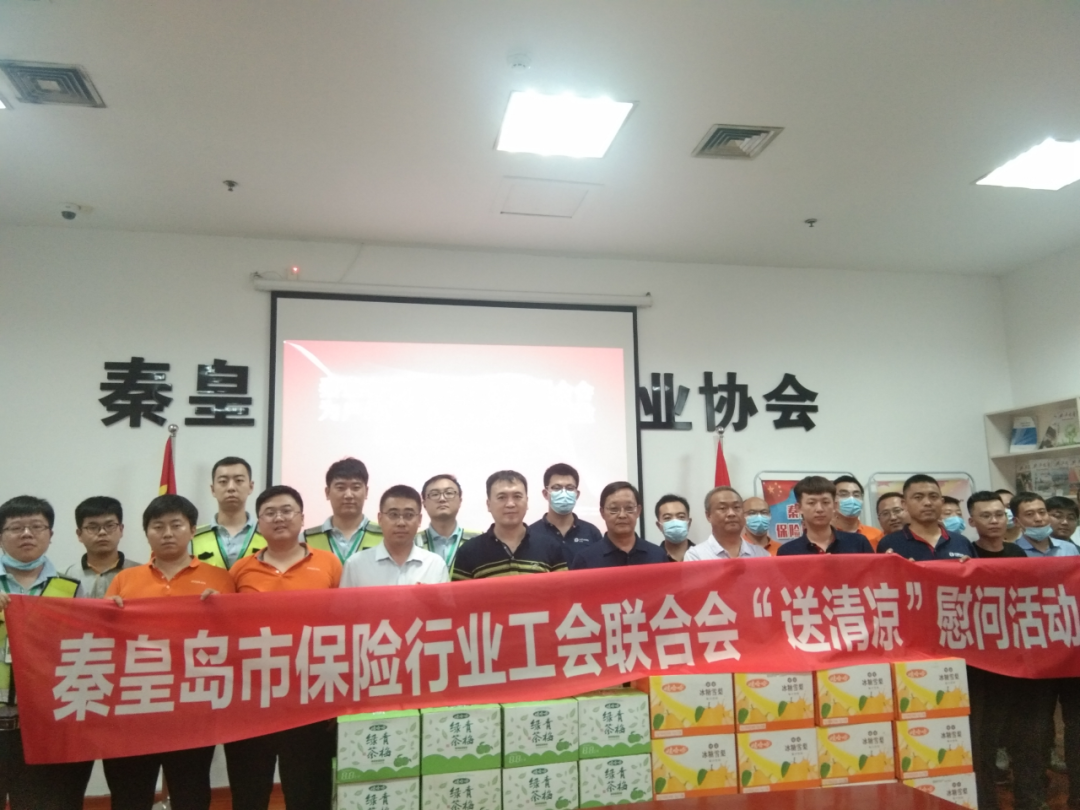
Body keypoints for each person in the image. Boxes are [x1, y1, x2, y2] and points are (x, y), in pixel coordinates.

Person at [103, 494, 234, 810]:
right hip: (135, 707)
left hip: (192, 707)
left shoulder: (219, 578)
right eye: (157, 526)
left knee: (191, 793)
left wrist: (223, 610)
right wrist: (108, 614)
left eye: (177, 525)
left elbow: (236, 640)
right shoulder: (124, 579)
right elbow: (104, 640)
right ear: (146, 532)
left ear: (193, 530)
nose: (167, 533)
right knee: (129, 794)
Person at [228, 485, 342, 810]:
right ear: (259, 523)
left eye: (287, 510)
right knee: (249, 792)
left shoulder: (330, 564)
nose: (279, 518)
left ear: (302, 518)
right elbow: (223, 631)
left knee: (308, 793)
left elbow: (343, 629)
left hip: (311, 696)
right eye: (270, 513)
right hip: (253, 698)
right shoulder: (240, 570)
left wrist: (338, 698)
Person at [0, 496, 91, 810]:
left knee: (38, 803)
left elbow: (85, 648)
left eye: (36, 527)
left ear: (50, 534)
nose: (27, 533)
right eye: (16, 527)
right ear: (1, 536)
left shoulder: (71, 588)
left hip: (42, 724)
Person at [1009, 491, 1080, 810]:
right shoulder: (1012, 553)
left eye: (1042, 512)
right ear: (1017, 520)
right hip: (1034, 653)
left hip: (1072, 650)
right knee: (1033, 729)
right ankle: (1031, 797)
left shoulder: (1069, 549)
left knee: (1076, 726)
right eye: (1031, 514)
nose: (1039, 519)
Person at [962, 491, 1028, 810]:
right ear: (972, 521)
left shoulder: (1017, 552)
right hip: (976, 660)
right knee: (981, 738)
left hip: (1013, 656)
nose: (994, 521)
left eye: (999, 514)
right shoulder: (967, 554)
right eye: (985, 516)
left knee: (1013, 732)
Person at [451, 471, 567, 579]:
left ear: (527, 502)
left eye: (517, 496)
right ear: (488, 504)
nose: (510, 504)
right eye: (501, 497)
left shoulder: (550, 547)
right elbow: (461, 594)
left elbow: (563, 591)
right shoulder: (469, 551)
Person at [343, 485, 449, 586]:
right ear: (380, 519)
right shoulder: (355, 565)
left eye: (409, 515)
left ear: (419, 520)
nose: (401, 523)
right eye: (393, 514)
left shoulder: (435, 565)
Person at [303, 457, 383, 564]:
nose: (348, 495)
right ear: (327, 492)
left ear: (366, 492)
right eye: (340, 488)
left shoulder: (384, 536)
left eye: (356, 487)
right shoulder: (306, 540)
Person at [190, 456, 265, 569]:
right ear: (213, 489)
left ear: (251, 486)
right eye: (223, 482)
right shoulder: (192, 537)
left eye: (239, 481)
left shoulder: (268, 536)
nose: (231, 488)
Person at [571, 482, 668, 569]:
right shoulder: (585, 559)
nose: (622, 515)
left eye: (629, 508)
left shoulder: (657, 555)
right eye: (614, 509)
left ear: (638, 511)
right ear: (602, 512)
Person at [877, 475, 974, 560]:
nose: (928, 503)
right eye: (918, 497)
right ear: (904, 504)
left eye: (933, 496)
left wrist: (968, 567)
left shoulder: (961, 542)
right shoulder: (889, 544)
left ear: (942, 502)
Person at [64, 495, 141, 598]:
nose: (102, 532)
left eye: (110, 526)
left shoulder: (142, 574)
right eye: (92, 527)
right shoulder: (65, 576)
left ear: (121, 530)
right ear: (79, 534)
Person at [527, 463, 603, 565]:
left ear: (577, 494)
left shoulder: (591, 532)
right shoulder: (530, 533)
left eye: (570, 488)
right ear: (545, 494)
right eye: (556, 488)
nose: (563, 493)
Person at [778, 476, 875, 556]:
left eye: (825, 502)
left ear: (835, 506)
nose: (819, 509)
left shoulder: (858, 543)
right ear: (799, 508)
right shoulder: (787, 551)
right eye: (811, 503)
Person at [685, 487, 771, 561]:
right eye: (723, 508)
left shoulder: (762, 555)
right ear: (708, 515)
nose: (731, 513)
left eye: (736, 507)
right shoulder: (696, 556)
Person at [415, 474, 478, 574]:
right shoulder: (412, 543)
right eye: (434, 494)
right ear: (424, 504)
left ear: (460, 501)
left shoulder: (479, 541)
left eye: (449, 493)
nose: (442, 499)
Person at [831, 475, 884, 548]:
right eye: (844, 494)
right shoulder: (826, 535)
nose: (851, 499)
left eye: (856, 495)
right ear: (832, 500)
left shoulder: (876, 535)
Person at [654, 494, 695, 561]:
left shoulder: (702, 555)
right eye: (667, 518)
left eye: (681, 517)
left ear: (689, 523)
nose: (675, 522)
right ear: (659, 526)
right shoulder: (652, 558)